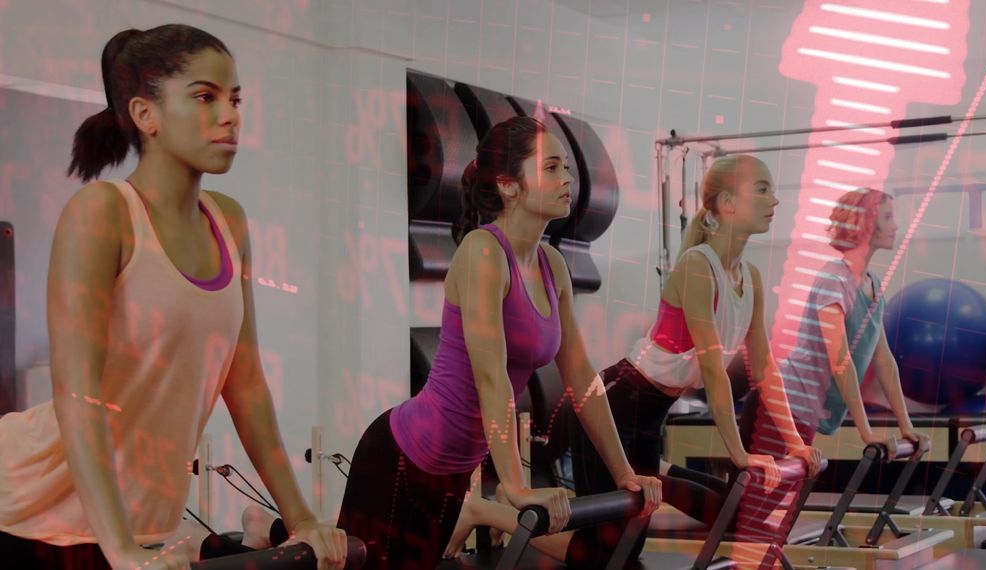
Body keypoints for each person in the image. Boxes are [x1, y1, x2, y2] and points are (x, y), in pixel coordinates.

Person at [0, 25, 345, 570]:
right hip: (31, 511)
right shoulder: (101, 213)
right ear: (145, 115)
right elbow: (77, 393)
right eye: (205, 97)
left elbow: (247, 385)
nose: (230, 115)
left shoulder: (229, 222)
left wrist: (302, 518)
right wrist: (119, 548)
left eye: (234, 99)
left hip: (143, 524)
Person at [336, 116, 662, 569]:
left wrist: (624, 472)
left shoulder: (552, 265)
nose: (567, 178)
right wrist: (516, 485)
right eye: (551, 167)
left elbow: (583, 379)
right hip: (401, 461)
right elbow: (491, 377)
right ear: (509, 186)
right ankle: (242, 540)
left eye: (566, 167)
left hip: (450, 475)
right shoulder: (483, 252)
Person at [569, 154, 823, 566]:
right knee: (605, 555)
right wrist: (739, 454)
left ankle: (659, 473)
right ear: (727, 202)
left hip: (649, 418)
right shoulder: (697, 268)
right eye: (762, 189)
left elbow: (765, 370)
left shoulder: (750, 277)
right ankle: (491, 516)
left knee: (625, 550)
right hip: (612, 405)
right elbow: (711, 368)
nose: (774, 201)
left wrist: (795, 442)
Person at [734, 188, 931, 556]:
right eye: (888, 217)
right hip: (779, 410)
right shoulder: (833, 280)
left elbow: (883, 361)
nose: (897, 225)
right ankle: (668, 483)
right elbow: (839, 359)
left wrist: (906, 426)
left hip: (802, 415)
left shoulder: (872, 286)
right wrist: (866, 432)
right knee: (757, 521)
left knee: (771, 518)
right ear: (865, 225)